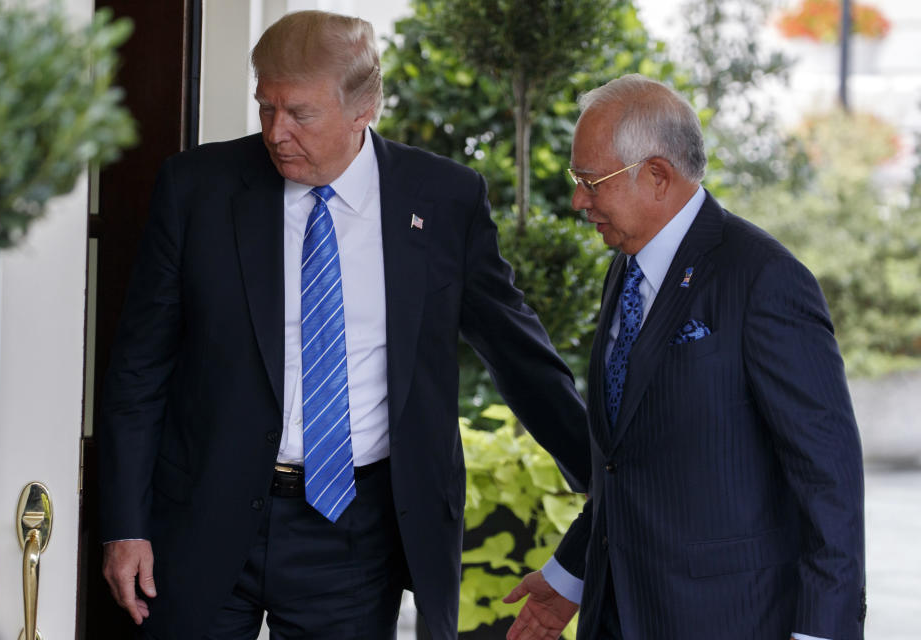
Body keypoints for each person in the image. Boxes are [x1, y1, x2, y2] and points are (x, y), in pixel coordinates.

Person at [98, 10, 590, 640]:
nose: (277, 132)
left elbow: (517, 355)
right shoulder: (196, 188)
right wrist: (124, 524)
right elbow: (139, 369)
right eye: (265, 107)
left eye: (300, 113)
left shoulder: (443, 200)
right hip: (204, 514)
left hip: (355, 531)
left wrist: (606, 478)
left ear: (366, 107)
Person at [503, 74, 866, 640]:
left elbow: (829, 481)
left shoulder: (766, 280)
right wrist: (571, 575)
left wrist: (822, 632)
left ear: (656, 176)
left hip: (728, 619)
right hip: (615, 612)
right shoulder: (625, 265)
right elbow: (626, 463)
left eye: (591, 181)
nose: (579, 201)